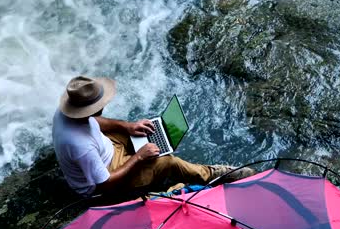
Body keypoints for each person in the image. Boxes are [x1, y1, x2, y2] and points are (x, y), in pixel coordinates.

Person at [52, 76, 255, 197]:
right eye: (98, 105)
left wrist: (128, 126)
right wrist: (139, 157)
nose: (103, 105)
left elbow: (94, 122)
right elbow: (104, 183)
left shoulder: (67, 113)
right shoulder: (80, 145)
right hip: (103, 180)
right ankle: (211, 175)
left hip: (106, 148)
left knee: (147, 132)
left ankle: (143, 142)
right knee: (166, 160)